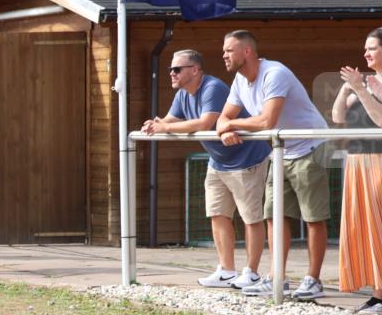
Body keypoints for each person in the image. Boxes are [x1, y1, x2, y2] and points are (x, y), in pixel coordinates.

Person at [142, 49, 271, 289]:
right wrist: (156, 124)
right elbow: (168, 121)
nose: (171, 73)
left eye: (177, 69)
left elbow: (204, 123)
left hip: (247, 159)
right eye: (170, 69)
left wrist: (166, 128)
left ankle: (252, 272)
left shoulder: (213, 87)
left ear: (195, 70)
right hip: (218, 161)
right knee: (217, 214)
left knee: (251, 218)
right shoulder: (183, 94)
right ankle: (226, 270)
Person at [217, 30, 331, 300]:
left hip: (309, 146)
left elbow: (267, 120)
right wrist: (225, 128)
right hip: (281, 151)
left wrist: (232, 125)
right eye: (224, 51)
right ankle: (276, 277)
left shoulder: (274, 73)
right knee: (273, 214)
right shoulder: (239, 81)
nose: (224, 55)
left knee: (313, 217)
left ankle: (313, 280)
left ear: (247, 52)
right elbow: (223, 117)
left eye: (229, 50)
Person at [332, 28, 382, 315]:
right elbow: (338, 117)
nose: (365, 54)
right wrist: (345, 88)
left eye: (372, 48)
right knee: (363, 229)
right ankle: (377, 294)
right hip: (358, 163)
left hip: (379, 161)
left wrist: (362, 89)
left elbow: (380, 120)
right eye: (365, 48)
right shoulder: (366, 82)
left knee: (379, 229)